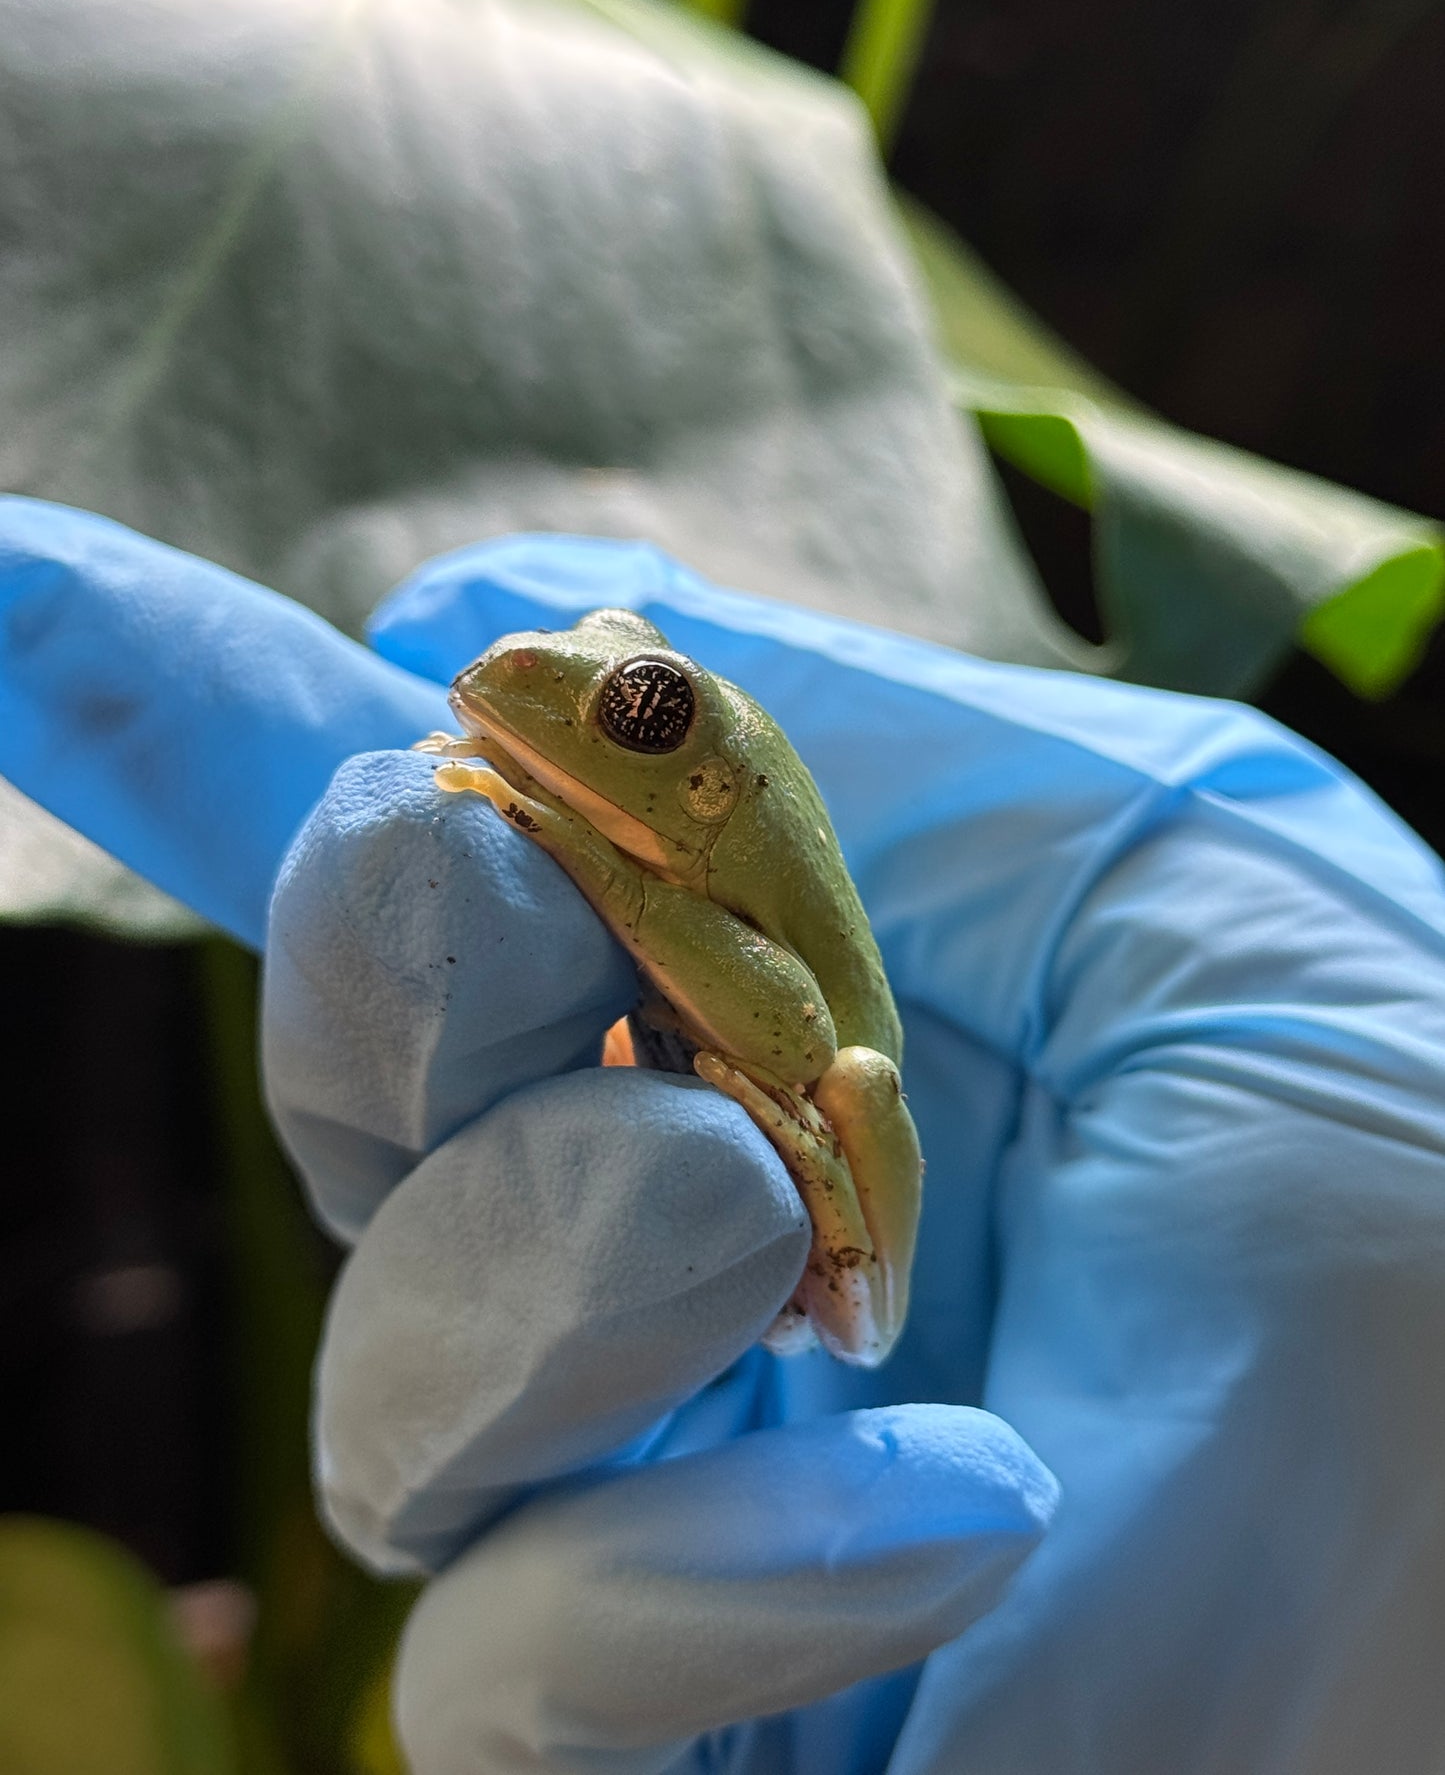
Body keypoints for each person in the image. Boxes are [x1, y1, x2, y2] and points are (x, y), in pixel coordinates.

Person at [4, 492, 1445, 1775]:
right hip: (732, 1055)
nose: (558, 682)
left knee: (853, 1087)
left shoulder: (697, 848)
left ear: (698, 775)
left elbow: (810, 1043)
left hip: (824, 1090)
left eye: (634, 704)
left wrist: (600, 873)